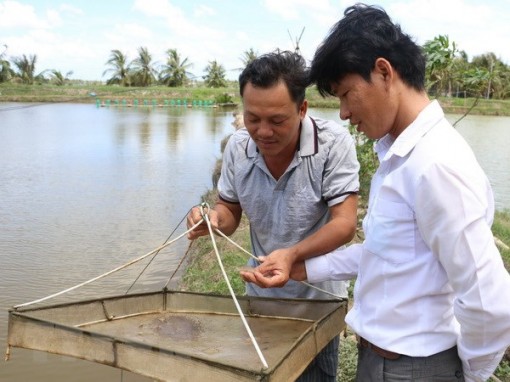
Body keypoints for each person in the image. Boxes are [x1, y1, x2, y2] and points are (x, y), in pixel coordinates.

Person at [241, 4, 510, 382]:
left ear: (384, 72)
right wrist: (296, 265)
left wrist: (469, 374)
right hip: (384, 362)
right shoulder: (400, 156)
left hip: (416, 368)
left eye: (347, 94)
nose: (345, 114)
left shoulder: (435, 165)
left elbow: (489, 302)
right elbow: (382, 254)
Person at [187, 50, 360, 381]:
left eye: (277, 120)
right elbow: (229, 211)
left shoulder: (333, 145)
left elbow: (345, 223)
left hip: (318, 305)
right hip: (262, 300)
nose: (263, 132)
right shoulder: (238, 147)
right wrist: (211, 220)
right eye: (253, 118)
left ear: (302, 109)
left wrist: (293, 254)